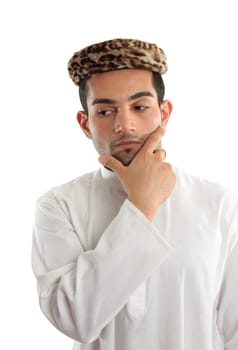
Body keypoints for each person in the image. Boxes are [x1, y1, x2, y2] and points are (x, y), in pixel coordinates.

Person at [32, 38, 238, 350]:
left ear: (164, 113)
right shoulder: (59, 206)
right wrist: (142, 205)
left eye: (140, 107)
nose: (124, 125)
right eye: (105, 111)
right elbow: (76, 320)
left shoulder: (220, 203)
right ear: (85, 124)